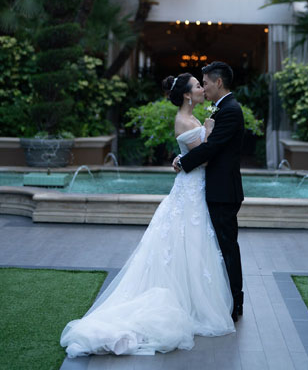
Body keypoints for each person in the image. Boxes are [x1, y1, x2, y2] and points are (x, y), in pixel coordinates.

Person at [60, 73, 234, 358]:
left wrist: (192, 145)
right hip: (189, 191)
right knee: (184, 241)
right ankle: (185, 303)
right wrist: (209, 132)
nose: (203, 89)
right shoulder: (184, 120)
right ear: (188, 95)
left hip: (194, 188)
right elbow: (202, 155)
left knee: (193, 243)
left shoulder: (193, 119)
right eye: (198, 86)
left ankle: (192, 296)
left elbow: (192, 154)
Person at [173, 61, 245, 322]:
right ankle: (224, 299)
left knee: (227, 247)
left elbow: (211, 148)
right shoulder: (223, 109)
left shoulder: (230, 111)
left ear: (218, 82)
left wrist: (182, 162)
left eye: (205, 83)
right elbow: (200, 144)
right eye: (199, 84)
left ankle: (235, 302)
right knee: (219, 247)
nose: (203, 87)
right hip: (216, 189)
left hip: (224, 191)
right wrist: (181, 156)